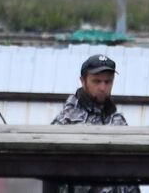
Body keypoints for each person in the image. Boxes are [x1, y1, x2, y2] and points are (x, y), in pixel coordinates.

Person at [51, 55, 141, 193]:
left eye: (108, 81)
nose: (103, 87)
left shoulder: (117, 120)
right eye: (96, 81)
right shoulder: (66, 121)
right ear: (83, 81)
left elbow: (130, 172)